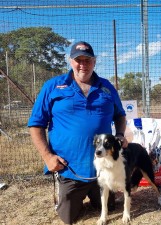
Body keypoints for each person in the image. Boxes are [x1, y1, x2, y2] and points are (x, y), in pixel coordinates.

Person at [28, 41, 128, 224]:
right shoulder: (53, 86)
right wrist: (48, 157)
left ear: (95, 61)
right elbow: (36, 124)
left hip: (103, 170)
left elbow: (120, 116)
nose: (83, 64)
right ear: (70, 61)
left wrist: (120, 135)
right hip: (69, 169)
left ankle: (96, 195)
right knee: (68, 217)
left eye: (88, 60)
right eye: (78, 60)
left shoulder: (106, 87)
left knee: (110, 208)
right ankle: (72, 198)